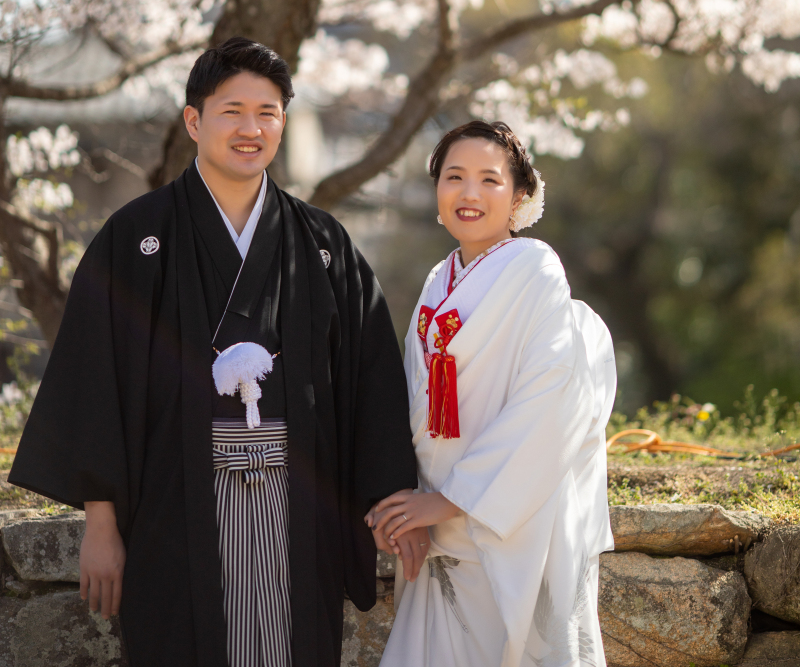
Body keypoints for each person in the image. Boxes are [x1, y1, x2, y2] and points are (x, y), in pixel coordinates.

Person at [10, 37, 418, 667]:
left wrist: (392, 499)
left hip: (296, 506)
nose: (251, 128)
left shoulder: (322, 242)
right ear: (193, 121)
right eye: (231, 111)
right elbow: (95, 381)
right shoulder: (137, 237)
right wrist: (100, 521)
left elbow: (373, 382)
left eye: (268, 112)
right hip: (174, 506)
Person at [368, 119, 616, 667]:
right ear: (437, 191)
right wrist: (405, 496)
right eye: (454, 177)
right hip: (437, 522)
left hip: (499, 514)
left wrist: (453, 498)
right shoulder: (440, 278)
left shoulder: (536, 269)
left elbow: (549, 396)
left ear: (520, 195)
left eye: (490, 180)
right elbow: (413, 400)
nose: (470, 193)